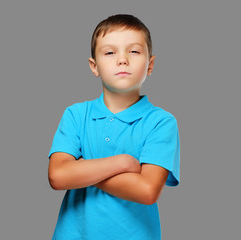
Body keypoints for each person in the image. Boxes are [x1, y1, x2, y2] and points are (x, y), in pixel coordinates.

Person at [48, 14, 180, 240]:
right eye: (110, 52)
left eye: (134, 51)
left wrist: (80, 171)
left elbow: (147, 191)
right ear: (94, 66)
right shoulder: (76, 115)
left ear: (150, 65)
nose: (122, 60)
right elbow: (58, 176)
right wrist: (122, 163)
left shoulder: (161, 122)